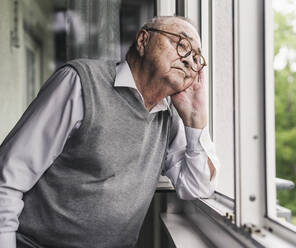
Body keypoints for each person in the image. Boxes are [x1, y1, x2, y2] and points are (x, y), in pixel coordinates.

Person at [0, 16, 220, 248]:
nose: (190, 62)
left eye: (196, 58)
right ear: (143, 40)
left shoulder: (169, 115)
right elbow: (8, 177)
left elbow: (197, 187)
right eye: (182, 45)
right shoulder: (80, 81)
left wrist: (195, 121)